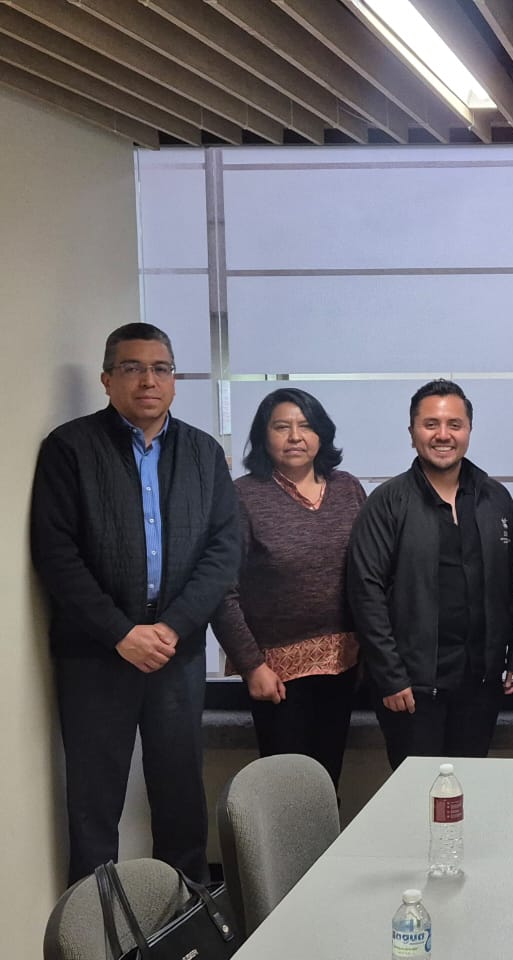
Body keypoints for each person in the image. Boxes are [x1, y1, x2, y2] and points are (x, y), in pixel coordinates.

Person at [30, 323, 238, 884]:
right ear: (107, 379)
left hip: (176, 651)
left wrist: (172, 627)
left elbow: (224, 550)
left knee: (180, 795)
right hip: (96, 654)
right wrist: (121, 633)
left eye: (160, 369)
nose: (148, 380)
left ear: (173, 379)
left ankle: (185, 916)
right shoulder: (69, 449)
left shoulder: (203, 453)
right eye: (132, 368)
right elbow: (56, 555)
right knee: (94, 803)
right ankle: (96, 924)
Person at [347, 380, 513, 769]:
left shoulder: (494, 498)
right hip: (411, 688)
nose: (443, 435)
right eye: (431, 424)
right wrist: (391, 677)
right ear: (412, 432)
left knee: (470, 787)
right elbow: (365, 594)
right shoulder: (388, 502)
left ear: (469, 431)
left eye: (454, 424)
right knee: (418, 794)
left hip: (480, 684)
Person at [210, 388, 365, 790]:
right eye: (282, 427)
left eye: (306, 426)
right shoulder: (243, 496)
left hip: (344, 664)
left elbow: (371, 572)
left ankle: (326, 836)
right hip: (275, 674)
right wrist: (251, 666)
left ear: (321, 434)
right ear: (264, 436)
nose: (295, 436)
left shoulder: (347, 488)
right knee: (287, 790)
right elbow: (222, 591)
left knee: (327, 783)